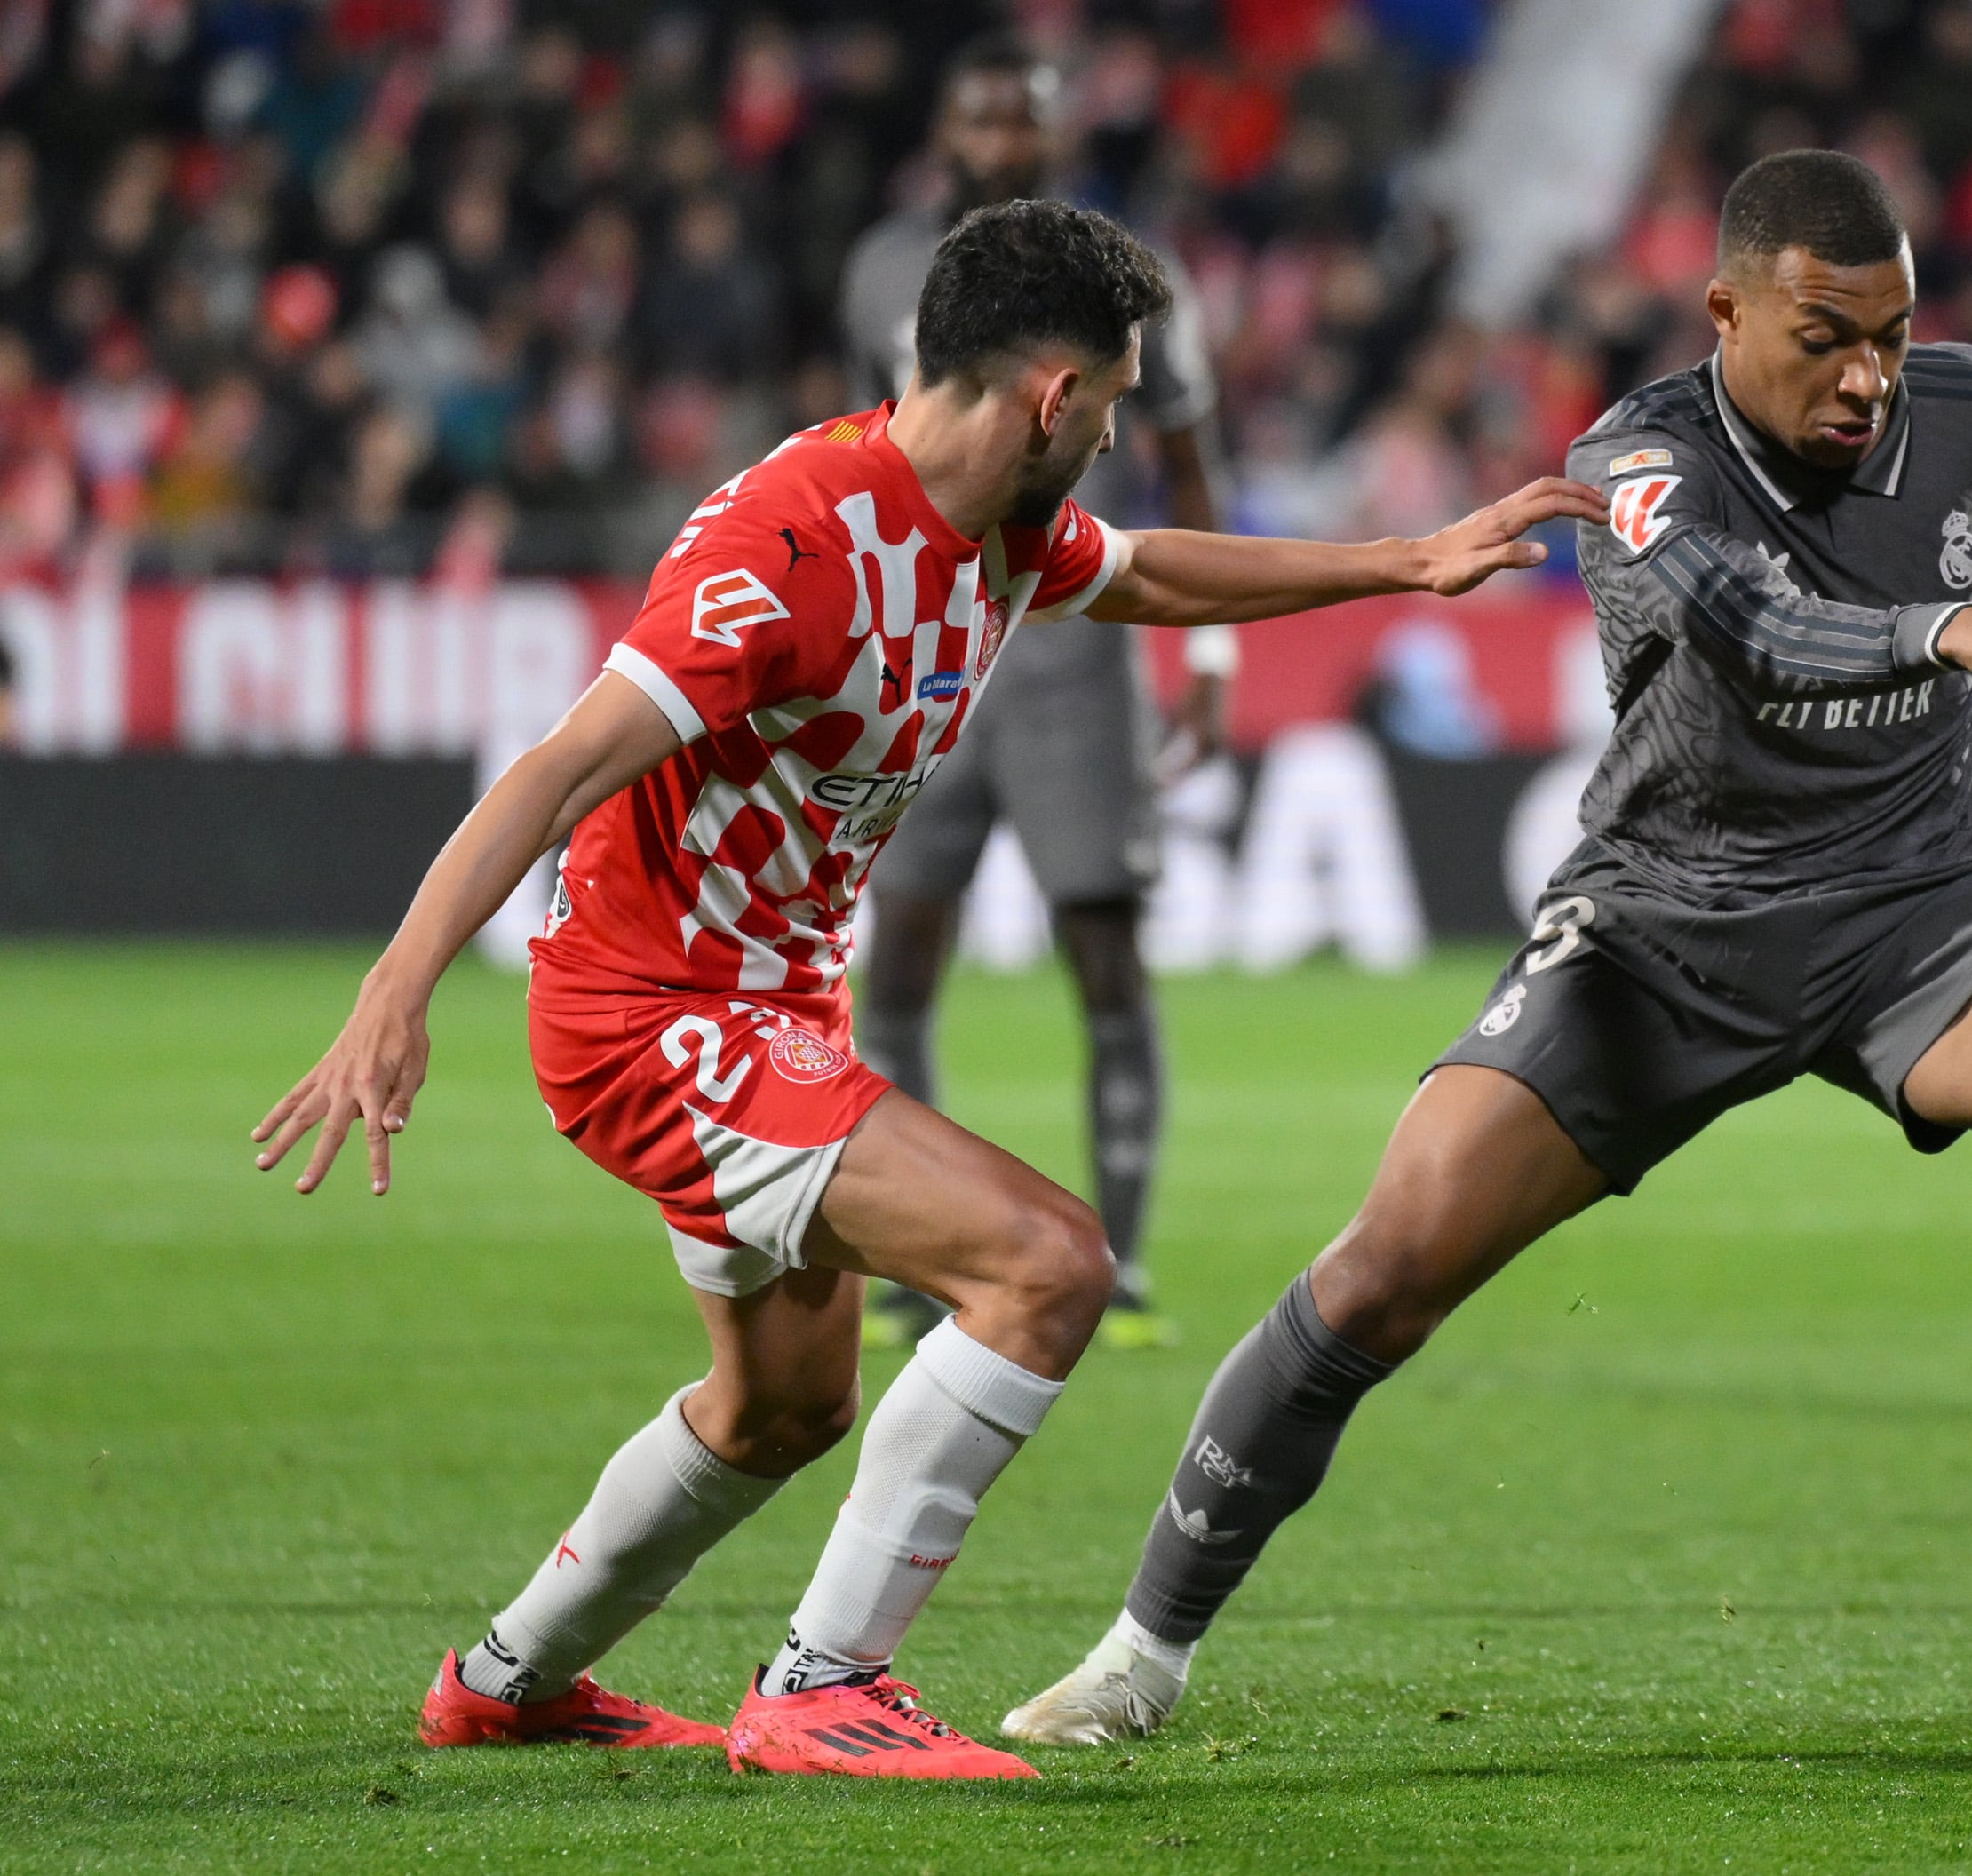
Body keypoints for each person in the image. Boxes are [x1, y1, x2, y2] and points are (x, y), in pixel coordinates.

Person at [250, 197, 1602, 1780]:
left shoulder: (998, 525)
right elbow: (556, 768)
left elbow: (1151, 571)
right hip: (658, 1019)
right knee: (1047, 1266)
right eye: (1112, 401)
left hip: (772, 1007)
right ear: (1051, 395)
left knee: (781, 1409)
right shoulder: (789, 552)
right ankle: (823, 1682)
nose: (1117, 436)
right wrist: (397, 990)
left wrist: (1407, 560)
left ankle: (506, 1681)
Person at [1003, 151, 1972, 1747]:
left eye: (1891, 335)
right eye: (1824, 337)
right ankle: (1138, 1657)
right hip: (1668, 926)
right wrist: (1948, 631)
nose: (1868, 378)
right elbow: (1744, 627)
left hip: (1924, 893)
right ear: (1725, 310)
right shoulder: (1636, 459)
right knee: (1386, 1270)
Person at [843, 34, 1230, 1351]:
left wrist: (1212, 658)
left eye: (1025, 121)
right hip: (928, 647)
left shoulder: (1127, 276)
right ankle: (907, 1261)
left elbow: (1186, 460)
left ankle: (1119, 1264)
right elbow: (862, 451)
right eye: (983, 119)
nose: (1003, 142)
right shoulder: (883, 270)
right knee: (900, 950)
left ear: (1058, 133)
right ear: (947, 128)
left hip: (1073, 652)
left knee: (1105, 950)